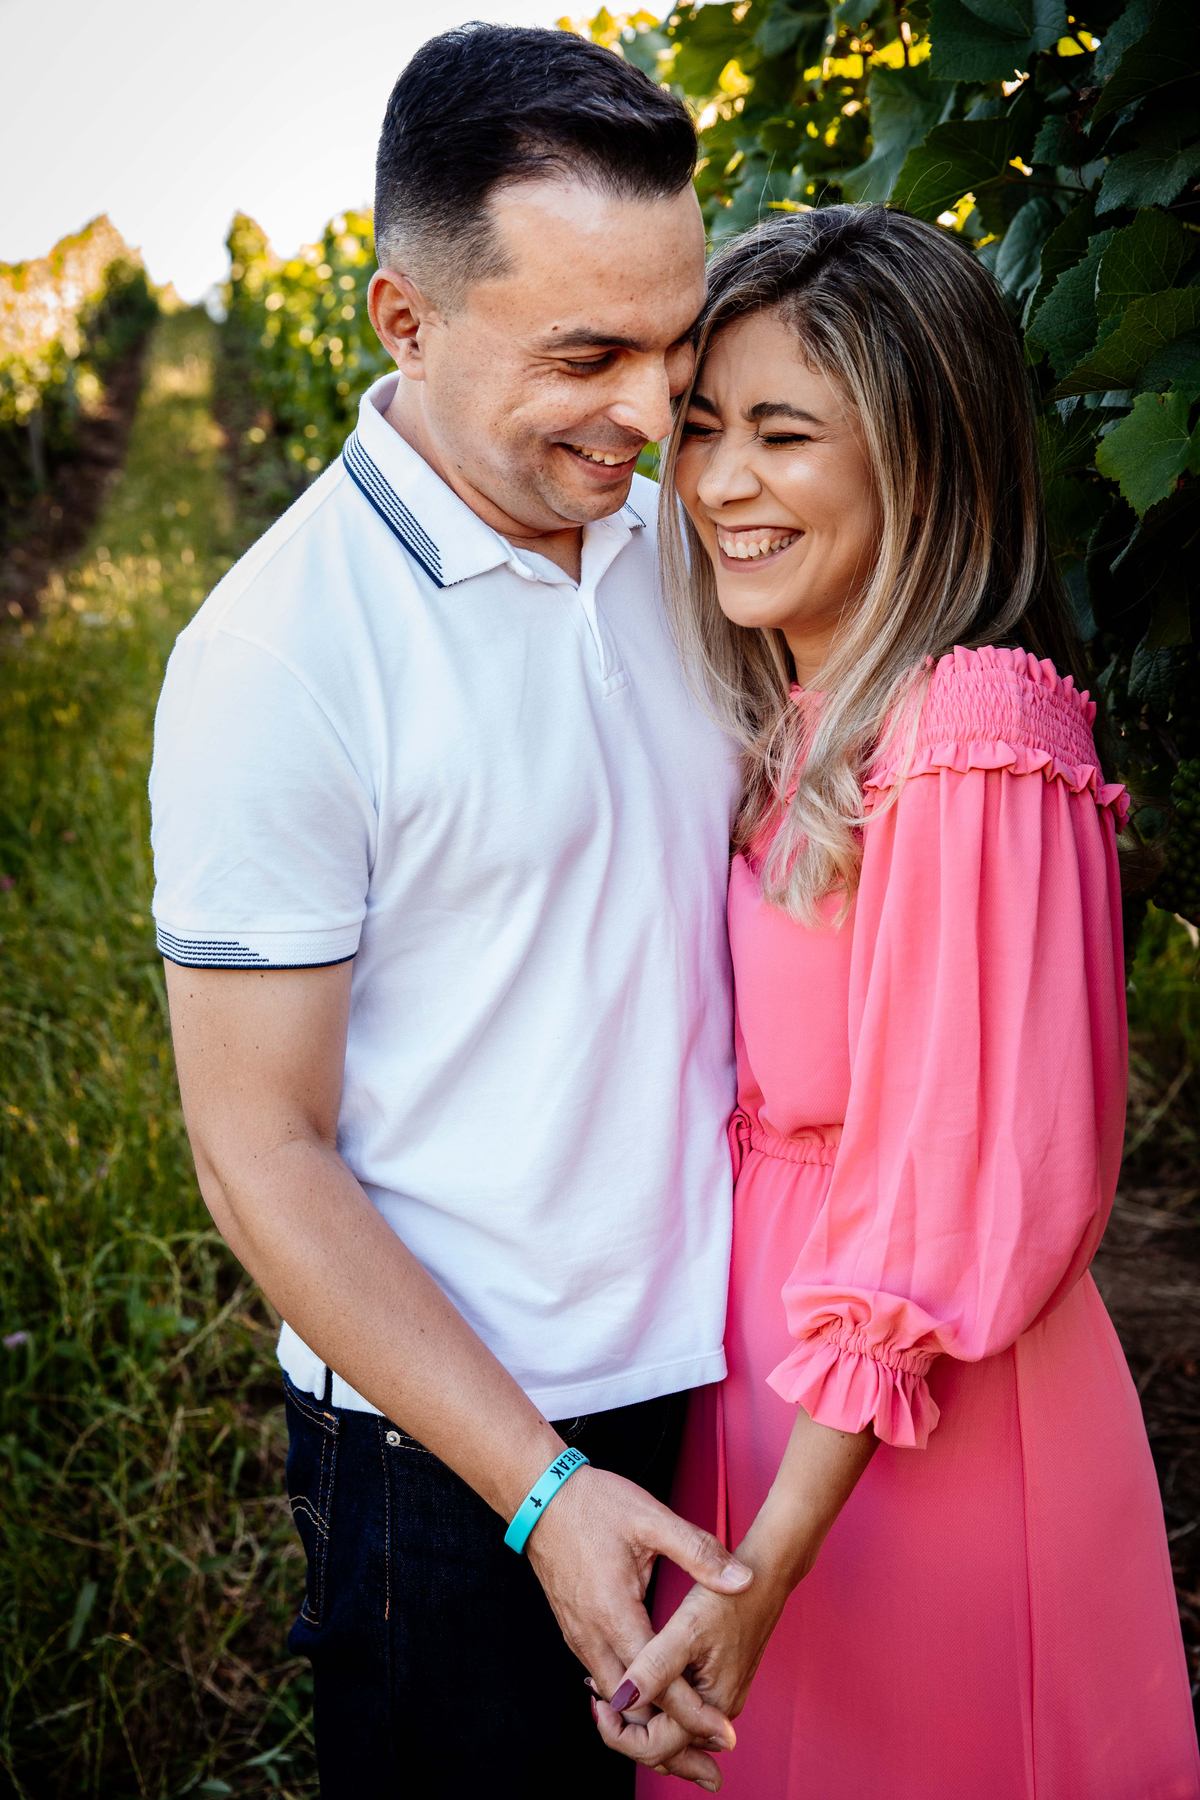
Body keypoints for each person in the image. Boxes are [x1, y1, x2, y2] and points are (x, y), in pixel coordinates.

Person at [148, 25, 754, 1798]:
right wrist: (542, 1491)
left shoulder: (687, 549)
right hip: (458, 1456)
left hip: (727, 1384)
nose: (651, 416)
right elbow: (260, 1150)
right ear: (403, 321)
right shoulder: (279, 661)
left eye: (677, 345)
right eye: (586, 354)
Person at [588, 206, 1200, 1797]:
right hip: (779, 1384)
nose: (718, 483)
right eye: (702, 429)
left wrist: (768, 1562)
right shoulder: (809, 712)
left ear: (920, 457)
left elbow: (961, 1173)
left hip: (907, 1429)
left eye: (783, 434)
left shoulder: (969, 721)